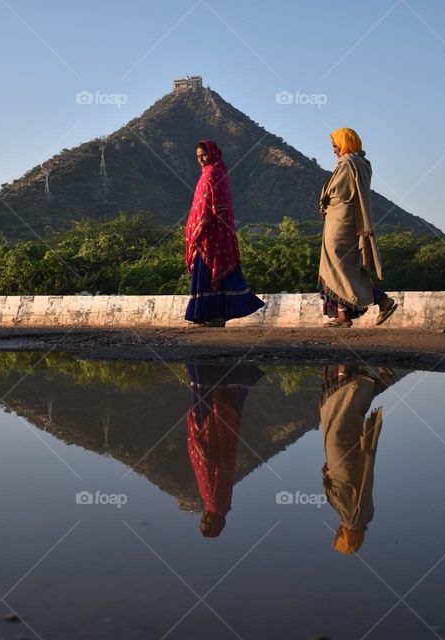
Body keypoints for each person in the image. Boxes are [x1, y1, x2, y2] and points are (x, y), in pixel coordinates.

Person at [318, 128, 398, 328]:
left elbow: (340, 193)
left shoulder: (348, 164)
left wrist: (325, 204)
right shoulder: (361, 163)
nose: (334, 150)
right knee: (341, 266)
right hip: (345, 220)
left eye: (335, 145)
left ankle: (382, 300)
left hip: (341, 220)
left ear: (345, 143)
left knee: (337, 266)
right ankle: (343, 315)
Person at [185, 140, 265, 327]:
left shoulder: (214, 173)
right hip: (206, 234)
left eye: (203, 155)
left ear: (212, 153)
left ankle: (216, 316)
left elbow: (214, 207)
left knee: (213, 272)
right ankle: (211, 315)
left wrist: (199, 226)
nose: (201, 160)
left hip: (212, 233)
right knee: (208, 273)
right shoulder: (208, 174)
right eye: (198, 156)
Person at [319, 364, 397, 554]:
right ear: (347, 538)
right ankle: (351, 378)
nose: (337, 533)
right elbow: (341, 490)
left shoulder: (365, 516)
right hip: (342, 465)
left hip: (348, 464)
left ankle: (362, 381)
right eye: (339, 537)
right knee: (338, 423)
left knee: (344, 422)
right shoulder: (350, 518)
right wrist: (326, 478)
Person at [185, 361, 264, 537]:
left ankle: (221, 363)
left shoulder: (220, 504)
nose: (204, 518)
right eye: (207, 522)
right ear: (217, 522)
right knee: (209, 401)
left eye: (202, 521)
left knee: (222, 398)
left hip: (218, 444)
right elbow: (217, 471)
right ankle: (205, 362)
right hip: (212, 440)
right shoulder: (215, 503)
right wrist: (199, 449)